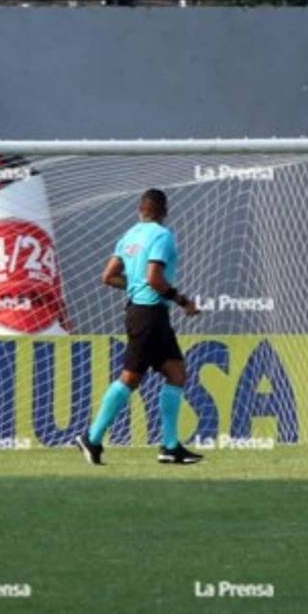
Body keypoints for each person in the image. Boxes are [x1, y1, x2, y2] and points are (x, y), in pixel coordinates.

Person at [74, 188, 203, 466]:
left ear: (139, 210)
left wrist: (133, 285)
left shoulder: (129, 235)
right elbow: (155, 278)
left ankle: (169, 446)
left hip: (141, 312)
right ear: (164, 210)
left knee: (176, 372)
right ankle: (92, 437)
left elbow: (108, 277)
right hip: (150, 315)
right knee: (131, 378)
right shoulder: (161, 235)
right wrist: (184, 301)